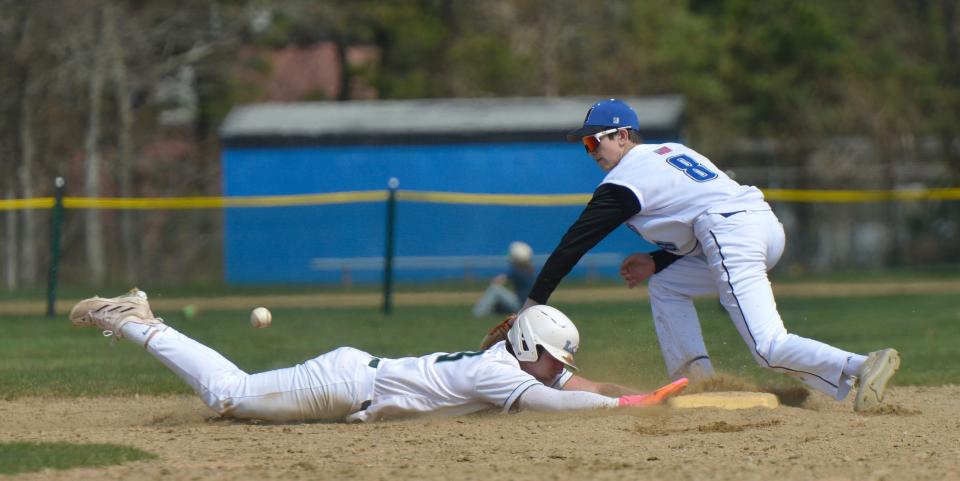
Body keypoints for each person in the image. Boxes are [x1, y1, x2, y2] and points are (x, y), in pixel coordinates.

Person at [483, 98, 899, 412]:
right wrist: (656, 261)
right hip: (762, 227)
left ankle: (861, 364)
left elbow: (574, 243)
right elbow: (697, 210)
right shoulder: (672, 152)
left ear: (623, 135)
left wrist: (531, 305)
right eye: (586, 144)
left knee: (768, 347)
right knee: (666, 286)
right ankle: (699, 384)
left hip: (730, 232)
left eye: (596, 140)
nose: (591, 151)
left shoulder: (626, 178)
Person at [69, 288, 688, 423]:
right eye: (555, 359)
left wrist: (623, 391)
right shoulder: (499, 372)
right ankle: (134, 321)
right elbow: (554, 403)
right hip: (342, 385)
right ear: (530, 349)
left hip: (354, 377)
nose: (561, 369)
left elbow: (568, 386)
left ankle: (141, 320)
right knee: (229, 394)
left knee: (238, 395)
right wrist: (625, 406)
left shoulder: (509, 365)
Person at [472, 241, 536, 318]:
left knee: (495, 289)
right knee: (499, 304)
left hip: (520, 305)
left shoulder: (516, 269)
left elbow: (498, 281)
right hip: (530, 306)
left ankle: (478, 313)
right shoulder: (530, 270)